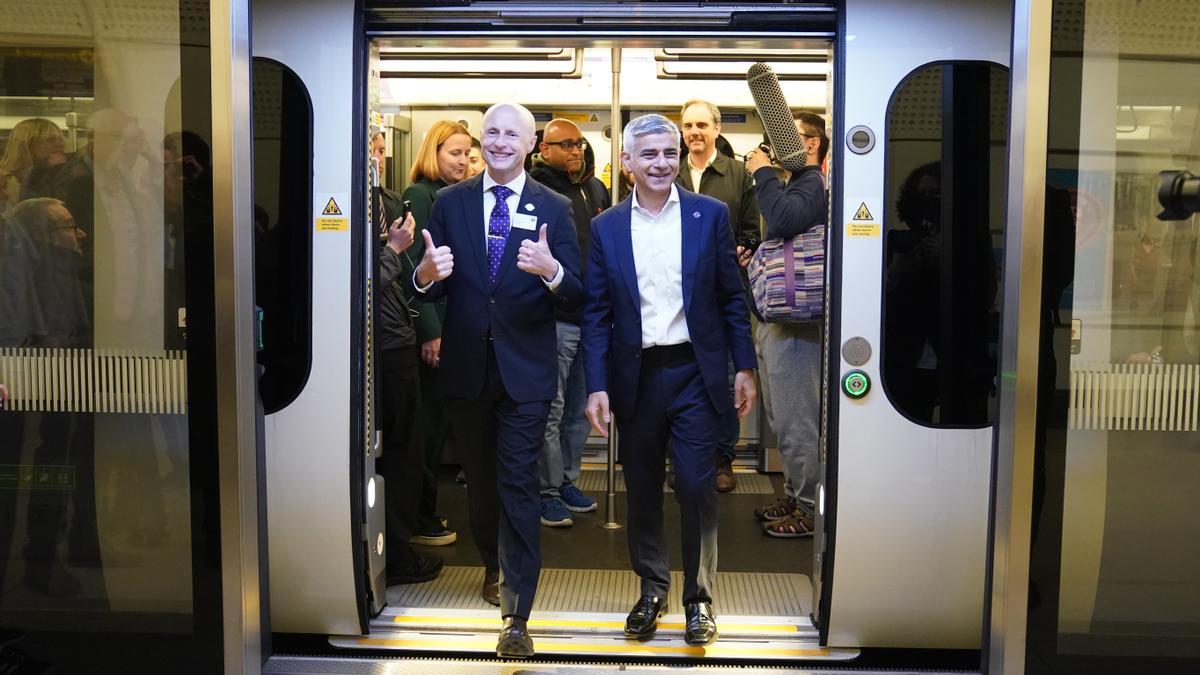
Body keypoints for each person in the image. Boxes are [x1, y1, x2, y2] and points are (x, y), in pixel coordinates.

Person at [408, 102, 583, 658]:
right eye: (493, 133)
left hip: (526, 373)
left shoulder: (553, 205)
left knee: (518, 485)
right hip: (466, 371)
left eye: (513, 133)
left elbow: (579, 293)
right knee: (482, 488)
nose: (501, 141)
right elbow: (430, 283)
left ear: (531, 145)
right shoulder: (449, 202)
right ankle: (492, 562)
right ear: (482, 141)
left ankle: (517, 611)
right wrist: (423, 275)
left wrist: (551, 272)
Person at [582, 114, 757, 646]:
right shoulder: (606, 226)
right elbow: (596, 312)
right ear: (629, 163)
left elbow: (731, 297)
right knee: (641, 491)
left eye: (670, 153)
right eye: (650, 155)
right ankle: (652, 591)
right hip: (635, 376)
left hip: (694, 374)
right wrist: (596, 383)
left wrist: (744, 366)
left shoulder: (711, 215)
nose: (661, 163)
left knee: (698, 487)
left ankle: (699, 600)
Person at [389, 122, 473, 547]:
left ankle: (424, 510)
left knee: (436, 426)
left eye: (465, 154)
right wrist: (431, 332)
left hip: (445, 324)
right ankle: (420, 517)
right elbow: (414, 267)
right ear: (433, 152)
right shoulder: (423, 196)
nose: (462, 161)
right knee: (426, 427)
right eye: (454, 153)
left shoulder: (447, 195)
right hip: (431, 327)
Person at [744, 111, 828, 537]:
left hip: (796, 329)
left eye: (787, 136)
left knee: (797, 421)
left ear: (810, 145)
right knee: (782, 417)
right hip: (778, 323)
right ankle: (797, 494)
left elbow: (781, 220)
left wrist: (761, 172)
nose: (773, 144)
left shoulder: (812, 182)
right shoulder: (800, 187)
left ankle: (811, 508)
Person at [371, 129, 446, 584]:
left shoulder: (385, 197)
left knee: (404, 448)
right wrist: (397, 251)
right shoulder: (354, 199)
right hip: (384, 342)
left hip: (391, 335)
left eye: (381, 150)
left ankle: (394, 545)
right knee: (400, 452)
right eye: (372, 149)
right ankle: (395, 553)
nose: (378, 156)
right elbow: (361, 276)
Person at [528, 118, 610, 527]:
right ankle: (546, 488)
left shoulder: (593, 189)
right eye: (567, 144)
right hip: (555, 316)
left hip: (590, 316)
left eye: (580, 143)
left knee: (580, 406)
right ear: (545, 150)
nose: (577, 150)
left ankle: (567, 480)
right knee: (552, 408)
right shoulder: (539, 194)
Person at [677, 99, 761, 492]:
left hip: (722, 293)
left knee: (724, 380)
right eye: (688, 125)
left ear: (716, 128)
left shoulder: (739, 174)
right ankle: (681, 462)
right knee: (677, 380)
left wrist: (745, 248)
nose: (694, 132)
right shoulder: (668, 172)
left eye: (702, 125)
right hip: (675, 295)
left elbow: (751, 230)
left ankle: (722, 460)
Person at [0, 118, 67, 213]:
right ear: (28, 144)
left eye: (61, 138)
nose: (60, 144)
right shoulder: (5, 184)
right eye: (50, 139)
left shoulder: (56, 180)